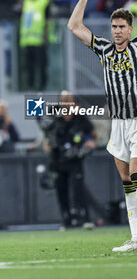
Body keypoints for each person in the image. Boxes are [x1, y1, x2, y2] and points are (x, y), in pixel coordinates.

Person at [67, 0, 137, 251]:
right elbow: (73, 26)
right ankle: (135, 237)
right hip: (118, 123)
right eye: (114, 26)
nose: (117, 31)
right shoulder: (104, 50)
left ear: (131, 29)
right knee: (125, 180)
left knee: (136, 174)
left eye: (122, 26)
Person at [45, 91, 97, 228]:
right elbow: (46, 132)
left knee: (78, 189)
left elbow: (93, 135)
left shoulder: (80, 117)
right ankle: (66, 220)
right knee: (61, 190)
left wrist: (90, 143)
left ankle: (84, 219)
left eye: (69, 100)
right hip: (58, 159)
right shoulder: (55, 118)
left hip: (75, 158)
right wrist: (47, 143)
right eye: (63, 100)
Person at [19, 0, 50, 90]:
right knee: (28, 67)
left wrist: (45, 37)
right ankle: (30, 87)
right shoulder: (26, 2)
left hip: (39, 41)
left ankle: (42, 88)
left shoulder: (44, 1)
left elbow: (48, 21)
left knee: (41, 65)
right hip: (27, 40)